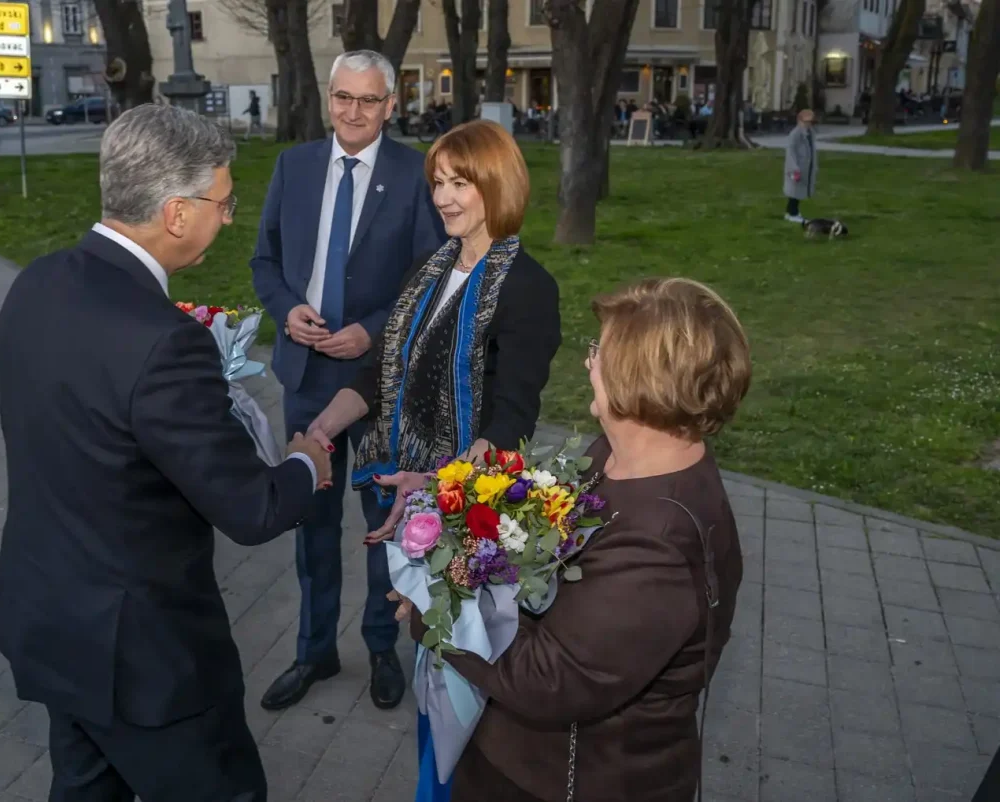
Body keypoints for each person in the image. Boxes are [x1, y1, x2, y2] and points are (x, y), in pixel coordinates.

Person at [0, 104, 333, 802]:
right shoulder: (163, 340)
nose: (230, 217)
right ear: (177, 213)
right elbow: (253, 508)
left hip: (53, 623)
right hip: (144, 661)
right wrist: (306, 464)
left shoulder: (37, 283)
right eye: (224, 202)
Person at [389, 276, 749, 802]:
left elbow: (547, 679)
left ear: (639, 378)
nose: (588, 364)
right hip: (520, 758)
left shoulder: (661, 547)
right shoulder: (617, 455)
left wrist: (431, 611)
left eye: (599, 352)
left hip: (567, 782)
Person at [305, 119, 562, 802]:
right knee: (433, 680)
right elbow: (383, 374)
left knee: (462, 694)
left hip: (470, 521)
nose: (444, 197)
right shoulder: (432, 270)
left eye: (460, 182)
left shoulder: (528, 287)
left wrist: (440, 491)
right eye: (438, 183)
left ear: (497, 184)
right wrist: (320, 430)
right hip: (419, 500)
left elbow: (510, 424)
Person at [250, 49, 446, 712]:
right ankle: (314, 651)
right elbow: (264, 261)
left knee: (380, 521)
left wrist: (375, 329)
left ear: (391, 105)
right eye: (342, 98)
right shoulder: (293, 166)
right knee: (311, 519)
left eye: (368, 101)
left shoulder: (416, 173)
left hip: (380, 378)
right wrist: (286, 310)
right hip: (306, 375)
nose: (353, 112)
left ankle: (381, 648)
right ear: (327, 97)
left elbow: (429, 279)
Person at [784, 108, 817, 223]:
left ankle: (792, 211)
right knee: (794, 191)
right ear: (799, 120)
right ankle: (792, 213)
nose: (808, 124)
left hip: (806, 167)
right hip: (796, 167)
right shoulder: (795, 134)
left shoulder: (810, 133)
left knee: (800, 191)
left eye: (810, 122)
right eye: (806, 121)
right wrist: (794, 168)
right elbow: (791, 151)